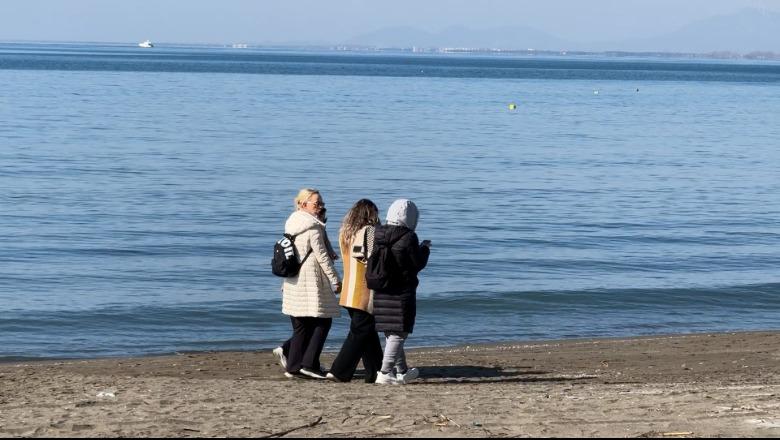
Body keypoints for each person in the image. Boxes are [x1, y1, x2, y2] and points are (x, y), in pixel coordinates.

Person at [272, 188, 341, 380]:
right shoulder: (313, 227)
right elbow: (322, 258)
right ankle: (309, 364)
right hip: (311, 281)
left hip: (293, 280)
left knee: (301, 325)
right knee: (323, 321)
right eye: (316, 203)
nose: (320, 207)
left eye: (321, 203)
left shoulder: (293, 222)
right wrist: (336, 281)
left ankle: (293, 366)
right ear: (303, 204)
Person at [372, 199, 431, 385]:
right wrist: (425, 249)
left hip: (381, 288)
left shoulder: (378, 232)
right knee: (399, 332)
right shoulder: (408, 237)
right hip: (401, 290)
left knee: (392, 332)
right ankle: (384, 372)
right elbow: (416, 263)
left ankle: (402, 371)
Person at [326, 199, 384, 383]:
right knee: (360, 332)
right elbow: (366, 256)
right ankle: (339, 370)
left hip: (348, 290)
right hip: (362, 291)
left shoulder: (345, 233)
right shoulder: (369, 231)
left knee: (367, 332)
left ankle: (376, 371)